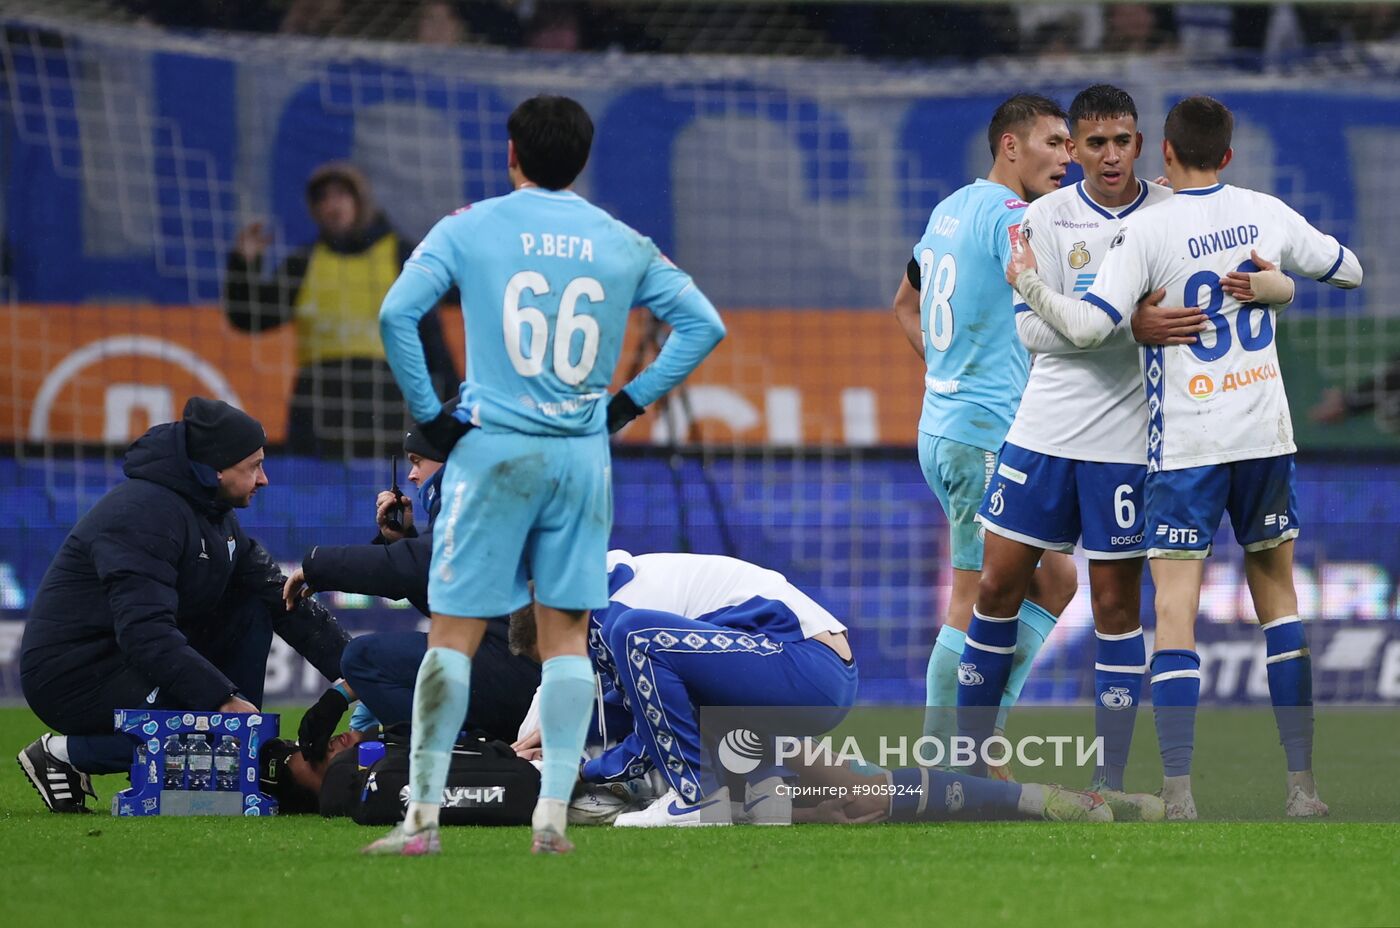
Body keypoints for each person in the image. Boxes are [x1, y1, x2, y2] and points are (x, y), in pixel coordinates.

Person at [366, 95, 726, 856]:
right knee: (567, 640)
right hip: (578, 459)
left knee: (453, 637)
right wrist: (624, 404)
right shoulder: (620, 239)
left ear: (511, 153)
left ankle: (421, 822)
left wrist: (433, 416)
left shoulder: (470, 226)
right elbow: (704, 324)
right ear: (581, 160)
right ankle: (553, 819)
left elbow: (399, 314)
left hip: (494, 452)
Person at [1007, 95, 1362, 819]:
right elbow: (1350, 271)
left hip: (1187, 451)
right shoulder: (1266, 213)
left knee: (1174, 617)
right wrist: (1281, 285)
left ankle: (1178, 794)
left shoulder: (1144, 230)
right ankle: (1303, 790)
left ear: (1161, 152)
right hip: (1264, 438)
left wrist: (1027, 283)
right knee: (1281, 609)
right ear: (1228, 156)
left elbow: (1082, 327)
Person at [961, 85, 1180, 809]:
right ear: (1074, 148)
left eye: (1122, 140)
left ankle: (1107, 782)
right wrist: (1124, 326)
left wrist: (1093, 322)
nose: (1108, 155)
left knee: (1118, 607)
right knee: (996, 586)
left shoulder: (1170, 215)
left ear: (1138, 145)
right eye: (1093, 143)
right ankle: (964, 761)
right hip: (1044, 430)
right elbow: (1030, 329)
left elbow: (1185, 315)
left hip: (1127, 440)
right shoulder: (1045, 217)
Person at [17, 398, 350, 813]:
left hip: (128, 657)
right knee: (198, 734)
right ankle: (62, 754)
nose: (263, 479)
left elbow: (282, 598)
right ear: (216, 469)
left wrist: (361, 676)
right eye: (254, 466)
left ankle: (235, 757)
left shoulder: (214, 514)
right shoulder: (142, 515)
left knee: (255, 603)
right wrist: (222, 701)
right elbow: (144, 632)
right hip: (73, 672)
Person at [890, 93, 1079, 764]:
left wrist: (948, 369)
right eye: (1055, 143)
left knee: (1055, 582)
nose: (1068, 157)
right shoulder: (1012, 218)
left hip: (953, 428)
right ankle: (948, 763)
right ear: (1011, 146)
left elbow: (904, 304)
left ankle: (979, 739)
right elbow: (1060, 291)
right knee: (973, 596)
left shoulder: (949, 209)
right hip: (979, 438)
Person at [508, 549, 857, 827]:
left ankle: (695, 799)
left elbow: (651, 729)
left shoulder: (616, 614)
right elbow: (642, 707)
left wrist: (584, 769)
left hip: (807, 666)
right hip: (812, 672)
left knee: (636, 634)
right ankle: (765, 798)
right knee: (661, 664)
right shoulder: (606, 596)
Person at [282, 408, 541, 757]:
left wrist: (316, 566)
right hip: (523, 672)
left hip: (520, 672)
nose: (413, 475)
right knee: (380, 664)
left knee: (363, 658)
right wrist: (401, 538)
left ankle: (466, 761)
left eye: (418, 461)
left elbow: (418, 564)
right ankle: (479, 753)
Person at [223, 161, 458, 458]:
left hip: (386, 400)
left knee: (389, 492)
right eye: (322, 198)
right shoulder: (303, 262)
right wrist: (244, 264)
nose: (332, 205)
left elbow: (431, 337)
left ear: (359, 201)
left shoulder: (400, 254)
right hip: (319, 405)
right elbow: (249, 317)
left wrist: (451, 405)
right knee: (317, 496)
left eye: (341, 195)